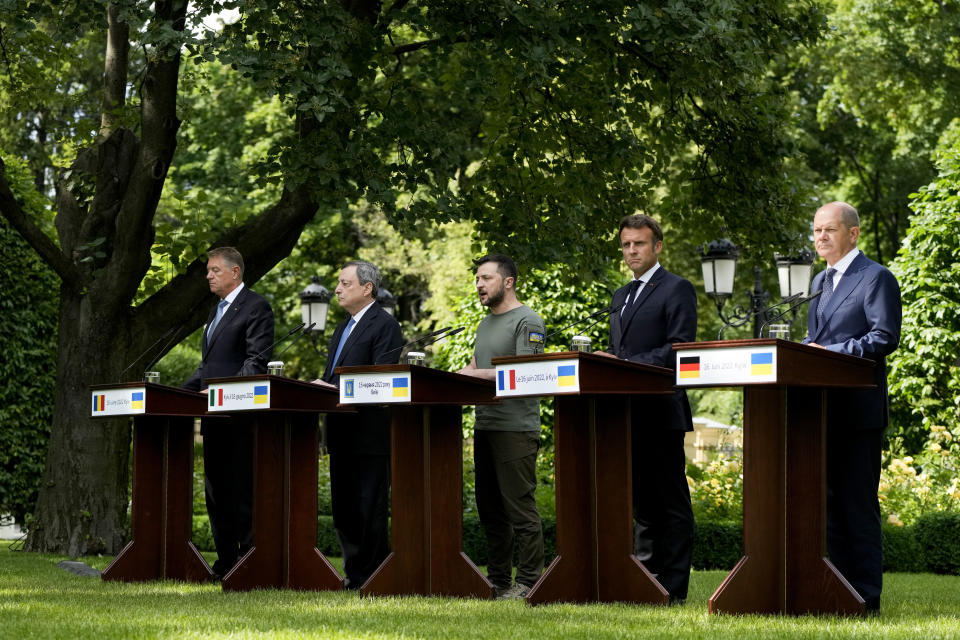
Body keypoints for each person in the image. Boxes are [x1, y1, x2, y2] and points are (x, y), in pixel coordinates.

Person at [802, 201, 901, 613]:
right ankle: (833, 590)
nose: (821, 237)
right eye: (817, 231)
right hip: (822, 411)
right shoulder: (819, 284)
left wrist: (831, 352)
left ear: (853, 234)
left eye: (829, 230)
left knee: (856, 505)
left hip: (858, 411)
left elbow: (883, 336)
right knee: (826, 506)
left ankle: (864, 597)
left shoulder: (875, 277)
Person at [595, 214, 697, 604]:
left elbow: (679, 347)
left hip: (662, 411)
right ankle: (645, 581)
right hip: (626, 414)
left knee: (670, 502)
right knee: (640, 503)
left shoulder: (677, 288)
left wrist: (626, 363)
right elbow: (620, 351)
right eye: (626, 245)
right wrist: (610, 362)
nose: (632, 250)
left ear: (657, 246)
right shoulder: (620, 296)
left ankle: (674, 588)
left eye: (639, 243)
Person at [457, 254, 545, 599]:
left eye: (486, 278)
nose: (479, 284)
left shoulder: (528, 320)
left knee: (519, 508)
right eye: (477, 278)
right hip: (486, 425)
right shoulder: (483, 324)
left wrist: (474, 374)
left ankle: (528, 582)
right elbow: (476, 366)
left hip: (516, 428)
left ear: (508, 282)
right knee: (491, 511)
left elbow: (525, 374)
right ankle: (498, 582)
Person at [183, 246, 274, 580]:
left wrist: (221, 392)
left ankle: (248, 565)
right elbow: (207, 367)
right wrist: (178, 394)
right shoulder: (215, 310)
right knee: (216, 494)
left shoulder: (256, 306)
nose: (208, 275)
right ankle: (224, 564)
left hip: (240, 418)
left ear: (235, 272)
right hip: (212, 420)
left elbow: (255, 361)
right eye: (208, 270)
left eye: (214, 270)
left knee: (241, 493)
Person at [318, 260, 403, 589]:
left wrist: (335, 388)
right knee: (344, 507)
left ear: (367, 288)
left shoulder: (385, 325)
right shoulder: (342, 327)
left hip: (369, 433)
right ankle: (354, 575)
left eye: (344, 283)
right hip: (340, 431)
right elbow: (333, 376)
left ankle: (375, 576)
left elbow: (381, 379)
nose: (337, 289)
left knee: (370, 506)